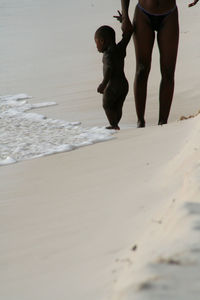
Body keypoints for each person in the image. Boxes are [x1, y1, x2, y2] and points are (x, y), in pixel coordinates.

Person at [121, 0, 199, 128]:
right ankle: (140, 122)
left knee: (168, 72)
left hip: (169, 14)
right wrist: (125, 17)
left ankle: (163, 122)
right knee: (141, 69)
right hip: (143, 13)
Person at [95, 12, 133, 130]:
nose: (96, 46)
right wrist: (124, 21)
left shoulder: (107, 55)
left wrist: (103, 84)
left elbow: (109, 69)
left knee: (107, 104)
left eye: (96, 43)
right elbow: (128, 34)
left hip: (113, 85)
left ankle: (114, 124)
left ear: (102, 41)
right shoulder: (120, 48)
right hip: (124, 85)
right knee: (118, 105)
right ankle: (115, 123)